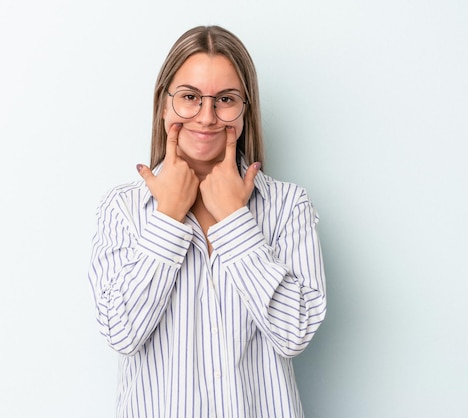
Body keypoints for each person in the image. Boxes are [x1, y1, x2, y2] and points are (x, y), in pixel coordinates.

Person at [88, 25, 326, 418]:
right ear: (165, 105)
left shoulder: (287, 205)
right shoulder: (123, 209)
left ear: (245, 109)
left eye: (226, 99)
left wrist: (235, 220)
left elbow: (294, 331)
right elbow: (121, 332)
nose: (207, 116)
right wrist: (167, 217)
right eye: (190, 97)